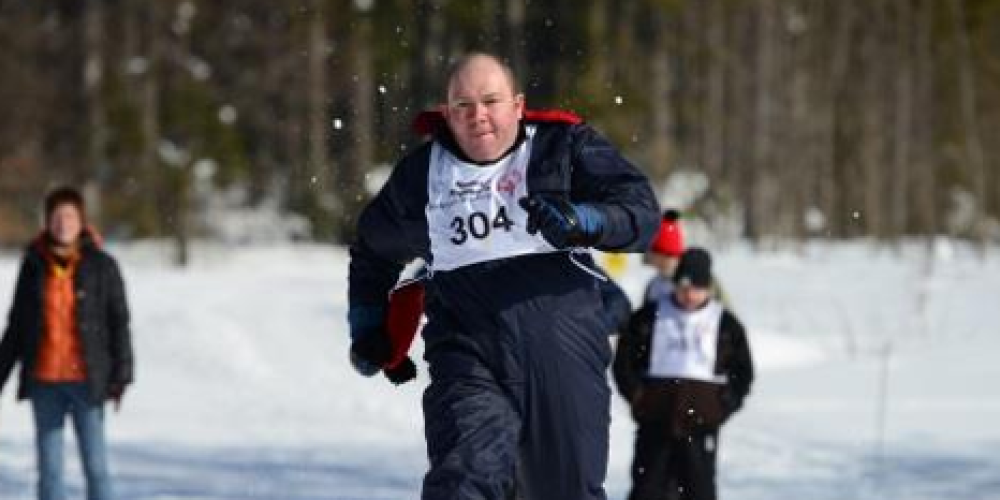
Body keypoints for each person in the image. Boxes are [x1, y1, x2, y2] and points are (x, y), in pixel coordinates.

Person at [346, 52, 660, 500]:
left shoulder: (561, 147)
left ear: (517, 105)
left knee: (566, 490)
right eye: (463, 105)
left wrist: (585, 220)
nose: (479, 116)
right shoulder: (423, 177)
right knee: (464, 475)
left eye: (490, 101)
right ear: (447, 113)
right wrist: (368, 326)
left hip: (562, 351)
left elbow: (641, 214)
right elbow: (372, 250)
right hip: (467, 354)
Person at [0, 187, 134, 500]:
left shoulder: (102, 265)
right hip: (44, 382)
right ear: (47, 221)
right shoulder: (33, 265)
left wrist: (121, 374)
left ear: (82, 221)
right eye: (57, 217)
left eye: (70, 216)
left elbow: (119, 323)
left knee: (96, 467)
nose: (63, 224)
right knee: (50, 471)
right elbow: (17, 326)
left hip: (87, 382)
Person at [613, 247, 753, 500]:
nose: (689, 295)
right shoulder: (648, 317)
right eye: (684, 287)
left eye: (696, 289)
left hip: (700, 427)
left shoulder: (725, 324)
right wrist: (637, 396)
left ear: (707, 288)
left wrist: (724, 403)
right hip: (655, 422)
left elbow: (743, 371)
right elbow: (624, 362)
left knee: (698, 490)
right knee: (648, 489)